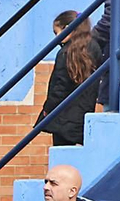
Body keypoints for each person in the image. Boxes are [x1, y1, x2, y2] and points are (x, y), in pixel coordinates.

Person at [39, 14, 101, 148]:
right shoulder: (93, 48)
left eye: (57, 32)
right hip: (83, 114)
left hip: (63, 117)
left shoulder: (65, 52)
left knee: (62, 156)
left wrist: (47, 109)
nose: (57, 37)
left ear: (67, 28)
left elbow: (60, 87)